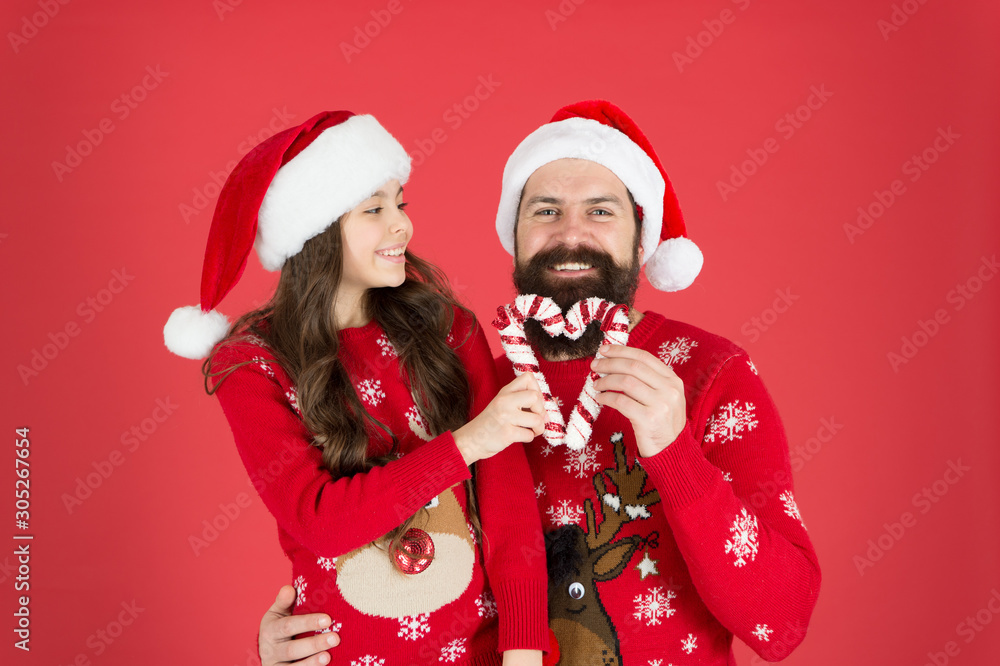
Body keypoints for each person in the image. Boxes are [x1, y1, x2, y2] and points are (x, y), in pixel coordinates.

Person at [256, 100, 821, 664]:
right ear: (515, 233)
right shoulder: (463, 391)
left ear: (640, 234)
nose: (570, 234)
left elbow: (783, 622)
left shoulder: (708, 375)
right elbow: (371, 536)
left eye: (601, 212)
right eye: (546, 211)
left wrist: (677, 459)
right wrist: (304, 639)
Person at [164, 111, 550, 665]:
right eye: (374, 209)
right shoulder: (253, 365)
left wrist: (523, 651)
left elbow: (508, 505)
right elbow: (320, 521)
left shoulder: (449, 329)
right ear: (315, 231)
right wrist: (468, 442)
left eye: (401, 203)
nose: (402, 226)